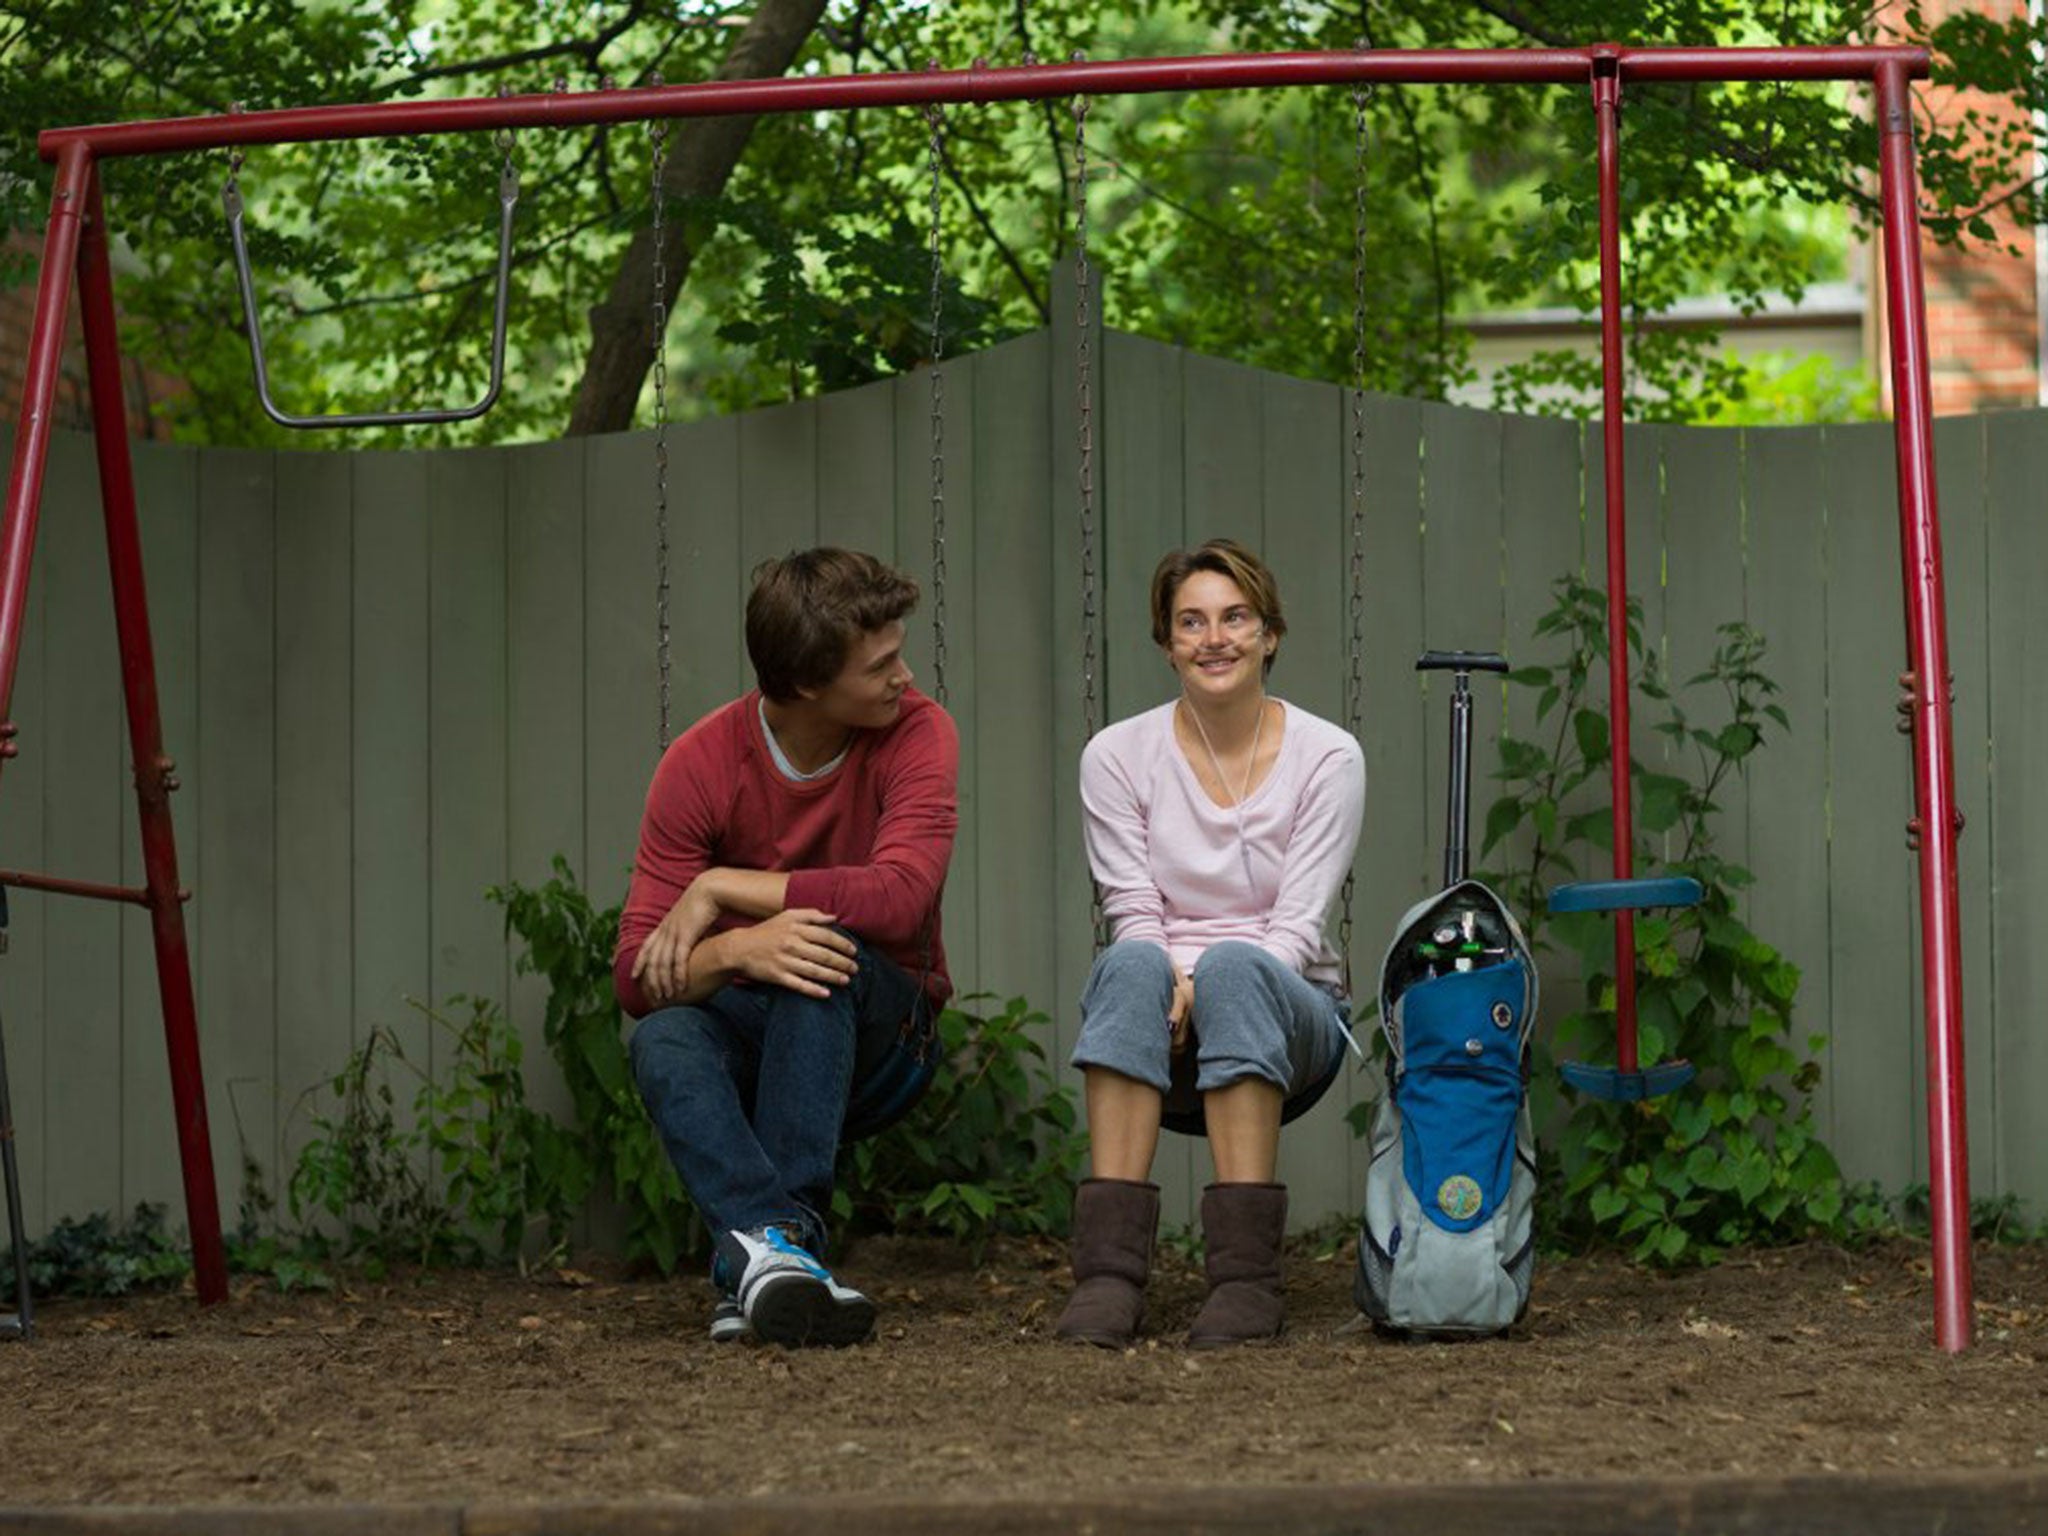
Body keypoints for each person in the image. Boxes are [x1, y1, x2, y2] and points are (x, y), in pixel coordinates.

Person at [617, 547, 958, 1349]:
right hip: (753, 1025)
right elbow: (636, 977)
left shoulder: (918, 732)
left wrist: (721, 890)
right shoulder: (699, 763)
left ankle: (776, 1255)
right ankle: (777, 1261)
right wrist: (737, 954)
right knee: (665, 1034)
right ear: (808, 684)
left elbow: (902, 896)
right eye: (879, 666)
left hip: (887, 1040)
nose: (903, 677)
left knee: (816, 949)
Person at [1057, 538, 1364, 1349]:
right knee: (1129, 962)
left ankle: (1244, 1281)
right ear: (1166, 643)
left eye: (1235, 618)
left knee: (1235, 965)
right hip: (1162, 1012)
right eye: (1190, 622)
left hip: (1294, 1016)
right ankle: (1109, 1278)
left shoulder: (1328, 756)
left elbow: (1295, 929)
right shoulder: (1116, 757)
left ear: (1271, 633)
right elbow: (1134, 912)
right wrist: (1175, 983)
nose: (1213, 638)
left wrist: (1202, 981)